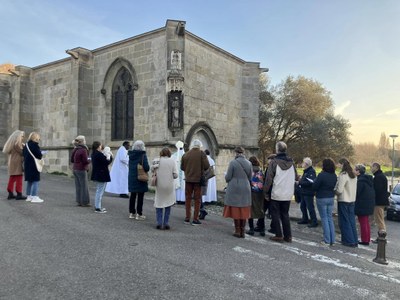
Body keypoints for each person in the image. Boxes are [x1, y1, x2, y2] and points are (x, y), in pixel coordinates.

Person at [264, 142, 296, 243]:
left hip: (277, 192)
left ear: (277, 149)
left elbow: (269, 179)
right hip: (288, 193)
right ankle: (288, 236)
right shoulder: (292, 163)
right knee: (285, 214)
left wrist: (265, 192)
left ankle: (278, 234)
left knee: (275, 214)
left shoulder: (274, 162)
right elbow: (295, 176)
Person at [223, 147, 252, 238]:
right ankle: (242, 230)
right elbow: (250, 177)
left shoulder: (233, 163)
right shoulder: (249, 163)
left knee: (236, 208)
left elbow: (228, 177)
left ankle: (237, 230)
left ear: (236, 153)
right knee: (244, 208)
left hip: (235, 187)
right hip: (246, 186)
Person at [180, 139, 210, 225]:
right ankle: (195, 219)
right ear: (200, 146)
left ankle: (187, 218)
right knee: (197, 200)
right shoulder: (202, 154)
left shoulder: (186, 154)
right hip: (198, 179)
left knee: (188, 199)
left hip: (188, 179)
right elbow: (207, 166)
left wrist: (189, 170)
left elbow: (182, 167)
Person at [151, 147, 178, 229]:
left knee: (159, 203)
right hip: (169, 186)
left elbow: (152, 170)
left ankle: (159, 222)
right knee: (168, 204)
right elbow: (175, 175)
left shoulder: (157, 160)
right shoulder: (172, 161)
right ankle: (166, 223)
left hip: (159, 185)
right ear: (169, 153)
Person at [313, 158, 337, 246]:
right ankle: (332, 239)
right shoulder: (334, 175)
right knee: (329, 218)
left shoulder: (322, 175)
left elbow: (315, 186)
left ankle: (327, 240)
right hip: (331, 197)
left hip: (322, 197)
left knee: (324, 218)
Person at [334, 158, 358, 247]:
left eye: (339, 164)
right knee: (351, 221)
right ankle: (354, 240)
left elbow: (339, 190)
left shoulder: (343, 175)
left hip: (343, 200)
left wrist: (334, 191)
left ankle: (348, 240)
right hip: (352, 200)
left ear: (342, 164)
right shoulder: (353, 175)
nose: (338, 166)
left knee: (344, 221)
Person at [128, 140, 149, 220]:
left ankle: (131, 213)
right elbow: (146, 167)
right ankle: (139, 214)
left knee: (132, 196)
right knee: (140, 196)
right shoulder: (143, 155)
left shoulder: (131, 155)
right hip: (140, 177)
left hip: (132, 177)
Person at [2, 130, 27, 200]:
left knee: (12, 178)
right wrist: (25, 147)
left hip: (12, 162)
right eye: (22, 136)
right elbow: (23, 153)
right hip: (17, 163)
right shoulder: (17, 144)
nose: (23, 137)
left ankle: (10, 193)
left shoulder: (12, 143)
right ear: (18, 136)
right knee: (19, 178)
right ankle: (19, 194)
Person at [354, 164, 376, 246]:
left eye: (355, 169)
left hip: (362, 204)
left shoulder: (360, 181)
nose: (353, 171)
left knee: (363, 222)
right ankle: (367, 238)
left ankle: (365, 240)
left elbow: (357, 193)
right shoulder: (369, 180)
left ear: (358, 171)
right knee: (366, 222)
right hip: (369, 203)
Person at [91, 141, 113, 213]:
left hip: (98, 173)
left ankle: (98, 206)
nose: (101, 147)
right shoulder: (99, 154)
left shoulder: (94, 154)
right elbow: (106, 162)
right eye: (100, 146)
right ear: (98, 146)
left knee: (99, 190)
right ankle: (98, 207)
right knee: (100, 191)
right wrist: (110, 156)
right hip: (101, 174)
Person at [246, 156, 265, 236]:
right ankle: (262, 229)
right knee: (261, 209)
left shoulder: (250, 170)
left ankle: (251, 229)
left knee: (251, 210)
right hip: (260, 192)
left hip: (252, 191)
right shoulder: (260, 170)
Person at [370, 162, 389, 243]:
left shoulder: (378, 177)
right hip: (382, 201)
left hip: (379, 202)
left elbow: (377, 190)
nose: (371, 169)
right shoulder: (381, 176)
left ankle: (382, 237)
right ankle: (381, 236)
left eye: (372, 167)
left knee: (379, 220)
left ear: (376, 167)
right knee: (379, 219)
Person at [23, 132, 44, 203]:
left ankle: (29, 196)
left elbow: (24, 154)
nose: (39, 139)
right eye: (38, 137)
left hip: (27, 165)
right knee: (35, 181)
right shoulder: (35, 145)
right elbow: (39, 155)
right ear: (35, 138)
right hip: (34, 165)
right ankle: (34, 197)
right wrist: (41, 153)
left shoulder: (26, 145)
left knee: (29, 181)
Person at [71, 135, 91, 207]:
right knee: (84, 186)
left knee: (78, 186)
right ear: (82, 141)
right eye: (84, 140)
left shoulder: (75, 149)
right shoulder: (83, 150)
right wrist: (89, 160)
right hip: (81, 169)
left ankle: (79, 201)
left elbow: (72, 160)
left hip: (75, 168)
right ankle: (85, 202)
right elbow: (85, 160)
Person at [298, 157, 318, 227]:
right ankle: (305, 219)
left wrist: (300, 183)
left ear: (306, 164)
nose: (302, 164)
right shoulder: (306, 171)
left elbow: (311, 182)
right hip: (304, 192)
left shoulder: (311, 171)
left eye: (303, 162)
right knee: (302, 206)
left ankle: (314, 221)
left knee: (310, 207)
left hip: (308, 192)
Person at [200, 149, 217, 220]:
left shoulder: (204, 159)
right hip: (210, 177)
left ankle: (202, 208)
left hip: (205, 177)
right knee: (209, 189)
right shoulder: (212, 160)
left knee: (202, 193)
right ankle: (207, 202)